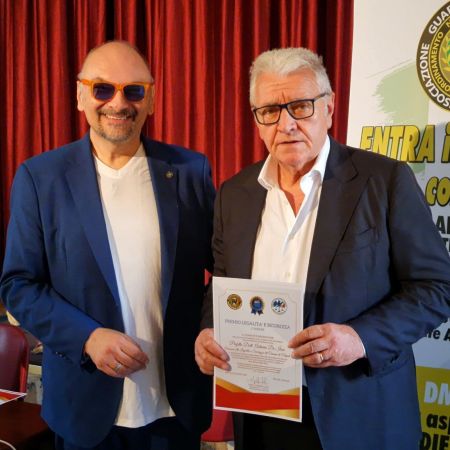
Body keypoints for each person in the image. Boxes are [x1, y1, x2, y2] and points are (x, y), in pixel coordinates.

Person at [195, 47, 450, 450]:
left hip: (359, 414)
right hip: (260, 410)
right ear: (257, 121)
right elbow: (223, 283)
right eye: (270, 111)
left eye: (301, 106)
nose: (286, 124)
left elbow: (437, 287)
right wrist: (209, 331)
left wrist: (359, 337)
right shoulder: (235, 194)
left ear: (329, 108)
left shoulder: (384, 181)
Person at [0, 40, 214, 450]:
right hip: (84, 406)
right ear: (80, 95)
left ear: (151, 100)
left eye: (134, 91)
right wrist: (87, 338)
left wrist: (211, 326)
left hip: (175, 408)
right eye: (102, 89)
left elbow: (222, 269)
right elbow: (19, 285)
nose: (118, 103)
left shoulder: (189, 171)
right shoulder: (40, 178)